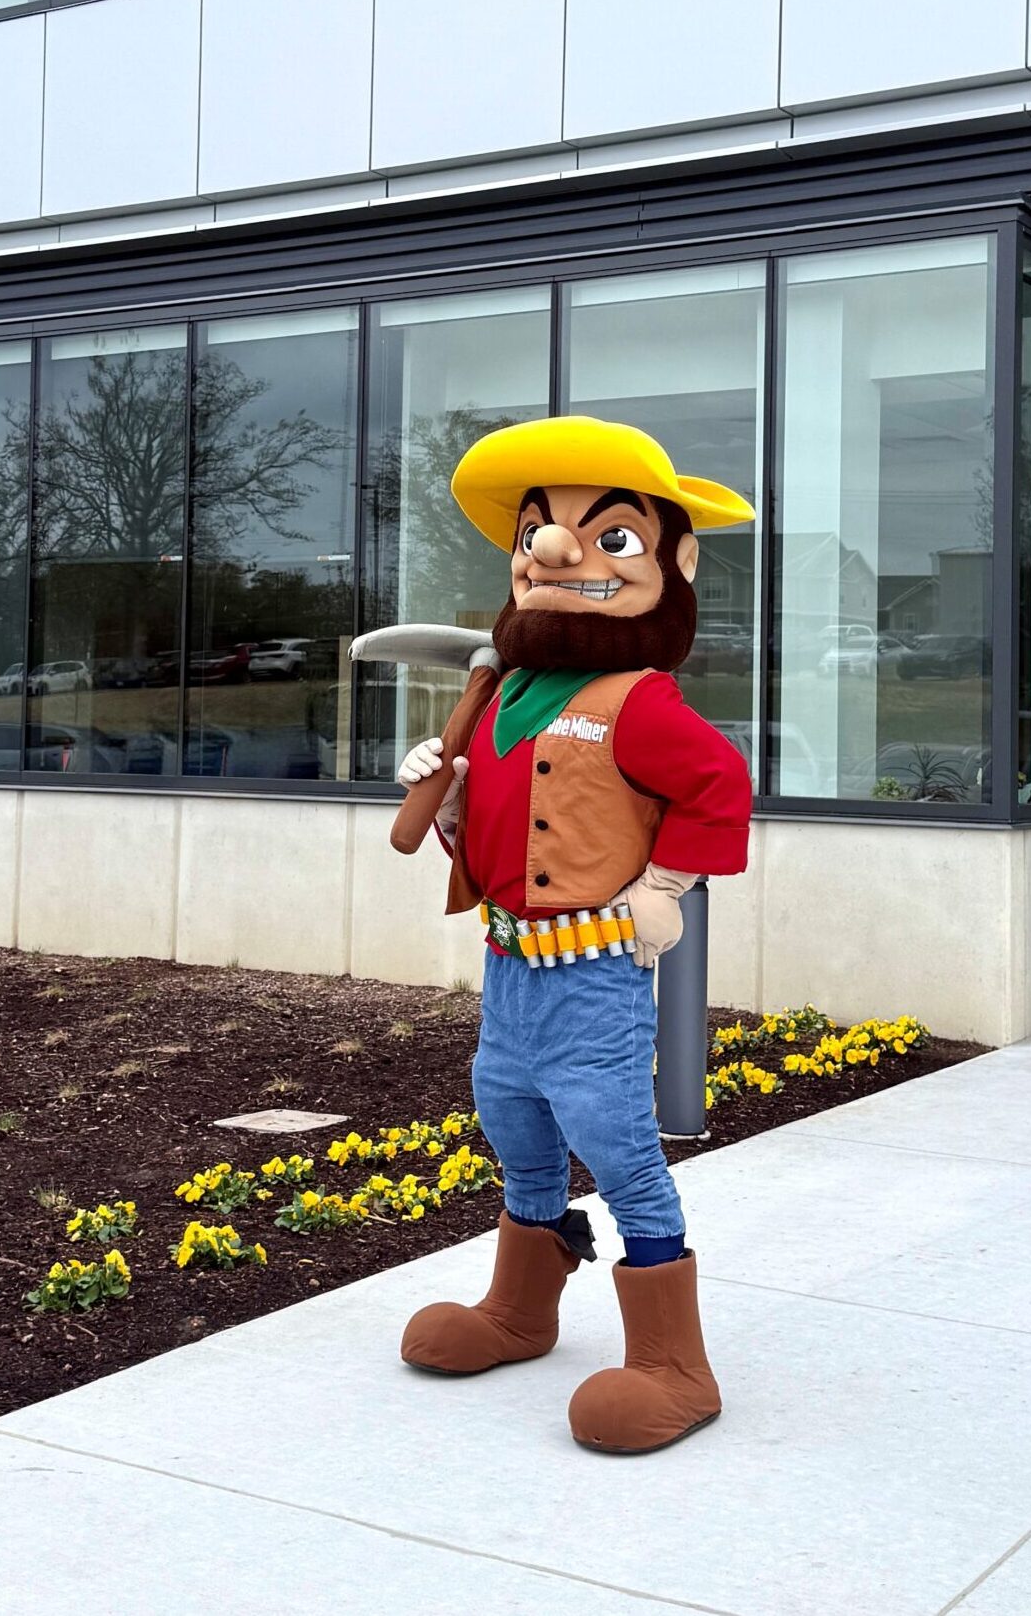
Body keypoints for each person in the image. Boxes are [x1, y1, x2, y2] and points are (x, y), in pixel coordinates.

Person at [393, 415, 753, 1453]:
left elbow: (718, 783)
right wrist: (446, 797)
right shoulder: (503, 691)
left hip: (594, 969)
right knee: (510, 1116)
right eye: (534, 533)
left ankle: (674, 1363)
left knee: (614, 1139)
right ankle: (521, 1309)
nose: (553, 551)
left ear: (673, 564)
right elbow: (503, 817)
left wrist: (666, 883)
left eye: (611, 537)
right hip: (510, 961)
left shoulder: (635, 700)